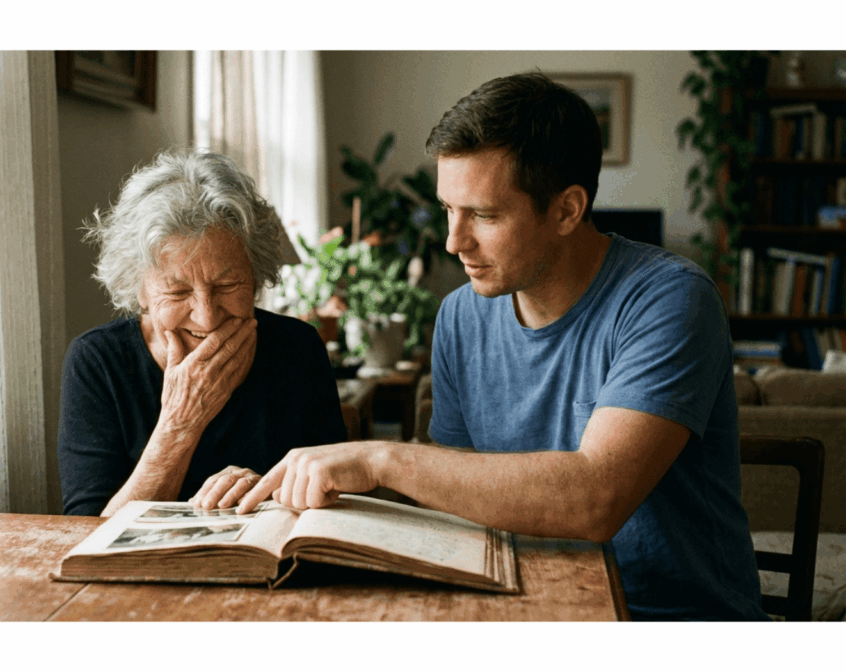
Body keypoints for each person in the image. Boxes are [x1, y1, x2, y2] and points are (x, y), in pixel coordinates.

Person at [237, 73, 768, 620]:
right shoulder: (461, 314)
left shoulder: (670, 300)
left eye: (484, 216)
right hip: (523, 601)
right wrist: (288, 493)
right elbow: (455, 486)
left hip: (666, 619)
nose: (453, 241)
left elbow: (596, 499)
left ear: (566, 210)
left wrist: (379, 455)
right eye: (448, 209)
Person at [58, 149, 347, 518]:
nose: (207, 317)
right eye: (178, 292)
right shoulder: (98, 362)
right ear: (139, 291)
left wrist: (266, 495)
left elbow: (336, 507)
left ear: (256, 276)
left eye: (228, 285)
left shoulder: (298, 349)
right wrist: (180, 423)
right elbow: (87, 530)